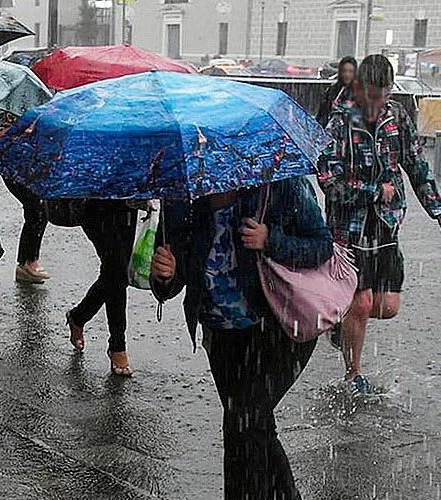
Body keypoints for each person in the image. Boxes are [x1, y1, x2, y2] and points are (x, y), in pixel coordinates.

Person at [150, 177, 333, 500]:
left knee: (243, 425)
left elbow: (321, 245)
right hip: (221, 333)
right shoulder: (182, 193)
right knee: (253, 426)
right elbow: (173, 279)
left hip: (278, 327)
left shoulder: (278, 181)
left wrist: (270, 240)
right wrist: (164, 275)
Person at [318, 54, 441, 395]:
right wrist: (373, 191)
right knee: (361, 303)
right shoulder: (341, 121)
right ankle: (353, 374)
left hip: (385, 225)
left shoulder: (397, 117)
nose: (378, 101)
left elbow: (417, 166)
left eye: (384, 94)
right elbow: (328, 177)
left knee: (386, 307)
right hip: (349, 228)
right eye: (372, 94)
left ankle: (342, 322)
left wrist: (437, 210)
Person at [66, 200, 138, 376]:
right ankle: (118, 345)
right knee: (117, 271)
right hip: (94, 199)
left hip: (128, 199)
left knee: (115, 272)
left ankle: (78, 316)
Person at [0, 110, 51, 284]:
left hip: (36, 165)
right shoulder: (13, 107)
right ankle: (28, 262)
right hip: (14, 166)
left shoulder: (48, 105)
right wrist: (24, 133)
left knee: (39, 210)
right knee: (35, 208)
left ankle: (27, 261)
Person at [317, 56, 356, 127]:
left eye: (350, 71)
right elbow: (322, 114)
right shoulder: (332, 90)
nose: (347, 74)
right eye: (344, 71)